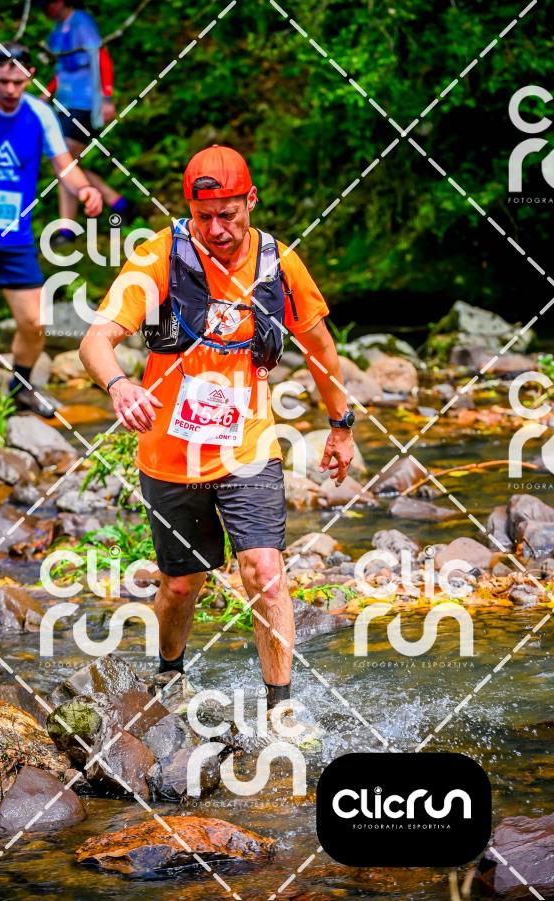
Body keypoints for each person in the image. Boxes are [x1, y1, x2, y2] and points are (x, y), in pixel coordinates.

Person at [79, 145, 355, 710]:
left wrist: (340, 424)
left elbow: (321, 349)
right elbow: (95, 339)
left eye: (227, 214)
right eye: (203, 216)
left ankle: (280, 708)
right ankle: (170, 674)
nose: (216, 229)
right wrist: (120, 385)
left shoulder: (279, 265)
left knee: (265, 571)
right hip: (170, 454)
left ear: (251, 201)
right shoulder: (159, 258)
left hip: (247, 447)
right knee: (182, 584)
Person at [0, 42, 102, 415]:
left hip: (13, 234)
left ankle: (19, 388)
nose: (10, 90)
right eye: (3, 81)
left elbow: (64, 165)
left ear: (30, 78)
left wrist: (85, 189)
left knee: (35, 322)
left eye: (18, 82)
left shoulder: (40, 114)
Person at [39, 0, 135, 244]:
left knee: (64, 161)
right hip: (64, 102)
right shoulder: (57, 30)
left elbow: (100, 57)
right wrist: (47, 94)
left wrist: (107, 97)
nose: (44, 10)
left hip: (85, 102)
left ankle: (67, 228)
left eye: (46, 4)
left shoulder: (81, 22)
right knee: (66, 163)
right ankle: (117, 202)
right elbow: (62, 70)